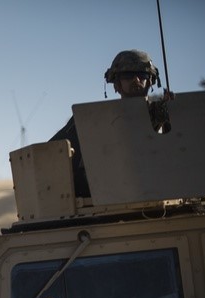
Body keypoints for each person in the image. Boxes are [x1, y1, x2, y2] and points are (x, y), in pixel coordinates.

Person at [50, 49, 171, 198]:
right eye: (128, 76)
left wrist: (170, 115)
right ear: (116, 84)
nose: (136, 80)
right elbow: (53, 151)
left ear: (151, 80)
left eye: (142, 75)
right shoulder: (93, 119)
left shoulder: (167, 115)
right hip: (104, 199)